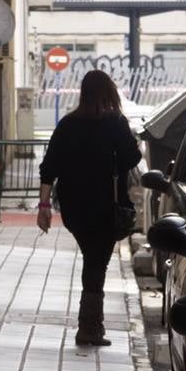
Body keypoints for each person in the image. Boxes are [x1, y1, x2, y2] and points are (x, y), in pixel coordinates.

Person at [38, 70, 142, 346]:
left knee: (93, 259)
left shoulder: (67, 124)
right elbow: (133, 157)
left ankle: (92, 326)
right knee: (96, 263)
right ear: (109, 92)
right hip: (107, 206)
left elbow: (49, 168)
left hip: (74, 208)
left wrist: (44, 205)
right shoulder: (115, 123)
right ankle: (89, 327)